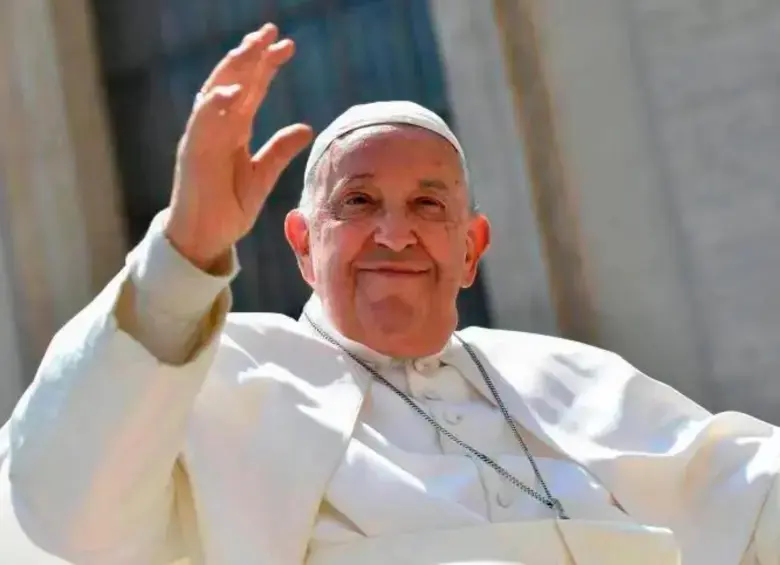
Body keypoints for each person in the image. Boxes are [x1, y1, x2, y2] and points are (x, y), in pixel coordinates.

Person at [1, 22, 779, 565]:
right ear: (304, 245)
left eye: (428, 206)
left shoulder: (576, 379)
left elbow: (753, 493)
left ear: (470, 249)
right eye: (359, 203)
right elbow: (70, 514)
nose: (396, 235)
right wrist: (187, 251)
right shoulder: (222, 380)